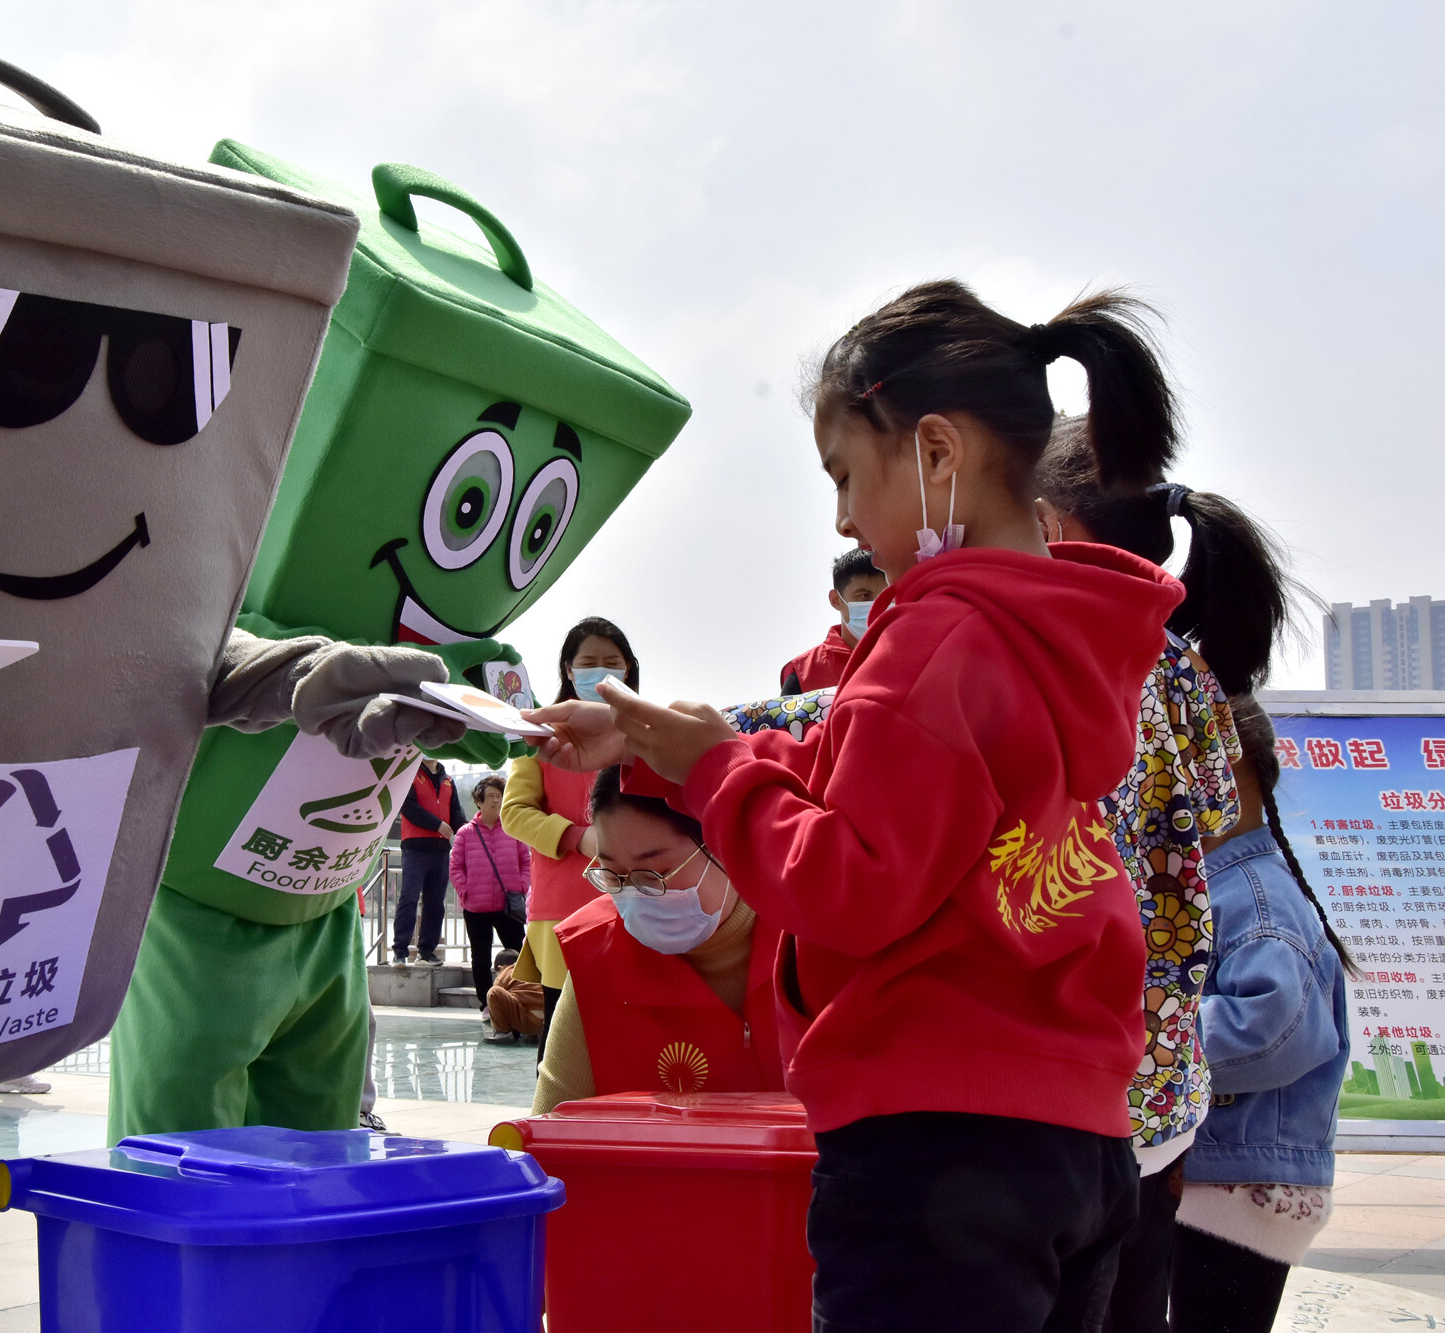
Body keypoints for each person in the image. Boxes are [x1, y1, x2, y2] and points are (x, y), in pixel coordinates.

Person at [530, 280, 1188, 1332]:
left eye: (843, 474)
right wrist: (674, 747)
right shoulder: (1060, 640)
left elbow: (846, 881)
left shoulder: (933, 639)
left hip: (936, 1147)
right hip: (1077, 1139)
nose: (839, 516)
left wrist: (714, 771)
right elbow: (847, 763)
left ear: (934, 453)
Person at [1037, 415, 1304, 1332]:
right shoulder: (1180, 669)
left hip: (1084, 1113)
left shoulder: (1081, 667)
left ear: (1048, 531)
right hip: (1158, 1109)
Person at [1171, 697, 1353, 1332]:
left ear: (1232, 770)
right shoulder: (1222, 883)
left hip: (1240, 1180)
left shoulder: (1253, 894)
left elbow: (1275, 1030)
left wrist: (1151, 1038)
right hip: (1234, 1172)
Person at [532, 767, 783, 1112]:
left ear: (725, 844)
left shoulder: (816, 942)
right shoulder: (596, 961)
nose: (635, 895)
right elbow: (550, 1132)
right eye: (614, 875)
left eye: (656, 873)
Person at [501, 617, 637, 1059]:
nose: (602, 671)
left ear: (629, 669)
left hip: (639, 898)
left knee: (629, 1026)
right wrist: (576, 837)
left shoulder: (649, 732)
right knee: (563, 1033)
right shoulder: (539, 739)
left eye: (612, 662)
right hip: (563, 905)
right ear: (568, 670)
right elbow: (514, 813)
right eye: (589, 663)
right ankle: (551, 1123)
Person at [450, 775, 531, 1015]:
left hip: (509, 904)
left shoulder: (513, 829)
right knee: (480, 958)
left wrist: (522, 885)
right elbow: (455, 867)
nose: (497, 801)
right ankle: (486, 1005)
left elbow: (526, 861)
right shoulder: (465, 833)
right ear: (479, 802)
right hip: (476, 907)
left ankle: (522, 998)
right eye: (492, 797)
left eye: (500, 796)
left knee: (518, 952)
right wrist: (465, 890)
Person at [780, 547, 886, 693]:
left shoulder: (915, 659)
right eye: (863, 595)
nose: (876, 604)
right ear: (836, 600)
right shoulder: (803, 672)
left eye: (885, 595)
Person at [393, 756, 464, 964]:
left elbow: (457, 813)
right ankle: (400, 951)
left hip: (441, 849)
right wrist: (436, 824)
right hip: (415, 847)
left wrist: (471, 832)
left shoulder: (448, 780)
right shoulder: (409, 775)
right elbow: (408, 807)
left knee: (435, 902)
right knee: (409, 898)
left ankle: (426, 950)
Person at [485, 949, 545, 1044]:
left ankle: (502, 1032)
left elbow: (496, 1000)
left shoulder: (506, 972)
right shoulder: (532, 969)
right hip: (545, 1023)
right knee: (527, 999)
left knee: (494, 992)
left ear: (500, 968)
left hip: (527, 1021)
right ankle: (533, 1035)